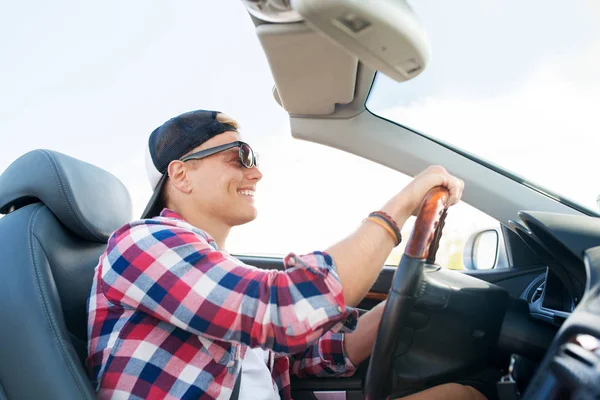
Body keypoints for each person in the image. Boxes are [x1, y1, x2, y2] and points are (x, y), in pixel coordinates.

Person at [87, 110, 484, 400]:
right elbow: (285, 309)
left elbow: (296, 354)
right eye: (239, 156)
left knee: (462, 395)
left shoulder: (217, 271)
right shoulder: (141, 243)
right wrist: (400, 207)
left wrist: (391, 313)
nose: (256, 173)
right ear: (181, 175)